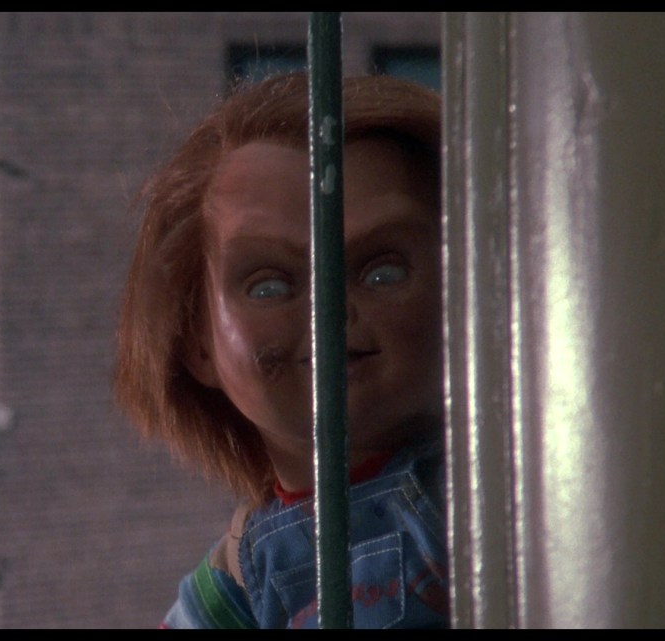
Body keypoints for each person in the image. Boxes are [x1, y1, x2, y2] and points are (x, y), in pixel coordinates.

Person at [113, 72, 448, 629]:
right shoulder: (242, 571)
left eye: (383, 272)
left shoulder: (482, 490)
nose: (329, 311)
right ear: (197, 341)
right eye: (269, 286)